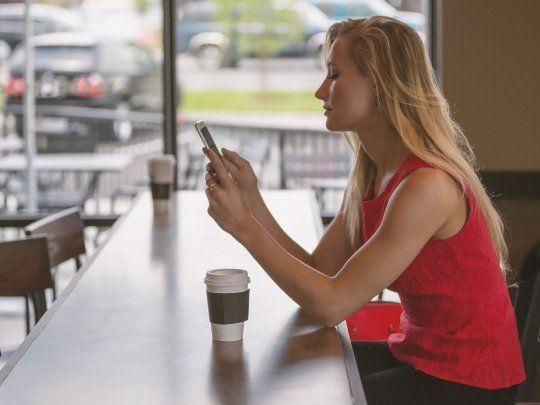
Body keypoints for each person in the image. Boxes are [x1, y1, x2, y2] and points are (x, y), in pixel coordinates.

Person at [202, 16, 525, 404]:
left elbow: (331, 305)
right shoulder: (373, 173)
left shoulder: (427, 186)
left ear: (380, 86)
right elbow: (323, 273)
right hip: (420, 357)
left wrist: (244, 228)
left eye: (334, 75)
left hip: (468, 382)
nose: (321, 91)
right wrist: (252, 204)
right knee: (297, 370)